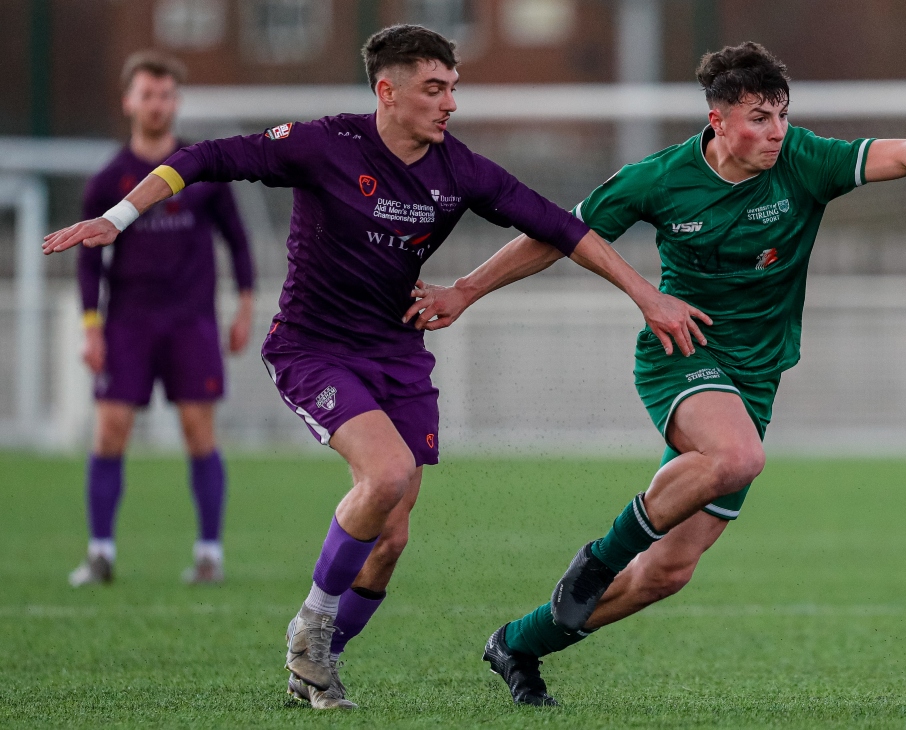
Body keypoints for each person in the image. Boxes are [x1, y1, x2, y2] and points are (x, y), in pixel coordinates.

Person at [43, 25, 707, 711]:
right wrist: (119, 218)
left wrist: (645, 293)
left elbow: (560, 228)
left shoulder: (461, 169)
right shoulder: (326, 143)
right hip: (313, 347)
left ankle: (317, 665)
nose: (449, 103)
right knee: (384, 474)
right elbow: (207, 156)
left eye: (453, 88)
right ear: (387, 92)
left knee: (392, 536)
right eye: (433, 89)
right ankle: (310, 627)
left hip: (397, 353)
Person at [406, 42, 906, 706]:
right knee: (737, 458)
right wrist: (465, 290)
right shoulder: (660, 179)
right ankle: (595, 563)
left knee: (668, 573)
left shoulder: (803, 161)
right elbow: (558, 234)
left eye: (782, 115)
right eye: (760, 117)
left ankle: (519, 643)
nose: (776, 131)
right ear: (718, 119)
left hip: (755, 380)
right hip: (682, 354)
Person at [68, 50, 255, 588]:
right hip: (128, 324)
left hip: (191, 323)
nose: (158, 104)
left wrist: (244, 307)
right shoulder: (108, 179)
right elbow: (88, 258)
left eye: (166, 94)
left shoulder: (201, 173)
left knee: (199, 432)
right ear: (130, 100)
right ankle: (100, 553)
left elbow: (237, 241)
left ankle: (209, 555)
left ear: (177, 101)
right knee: (110, 430)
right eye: (148, 94)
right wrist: (90, 326)